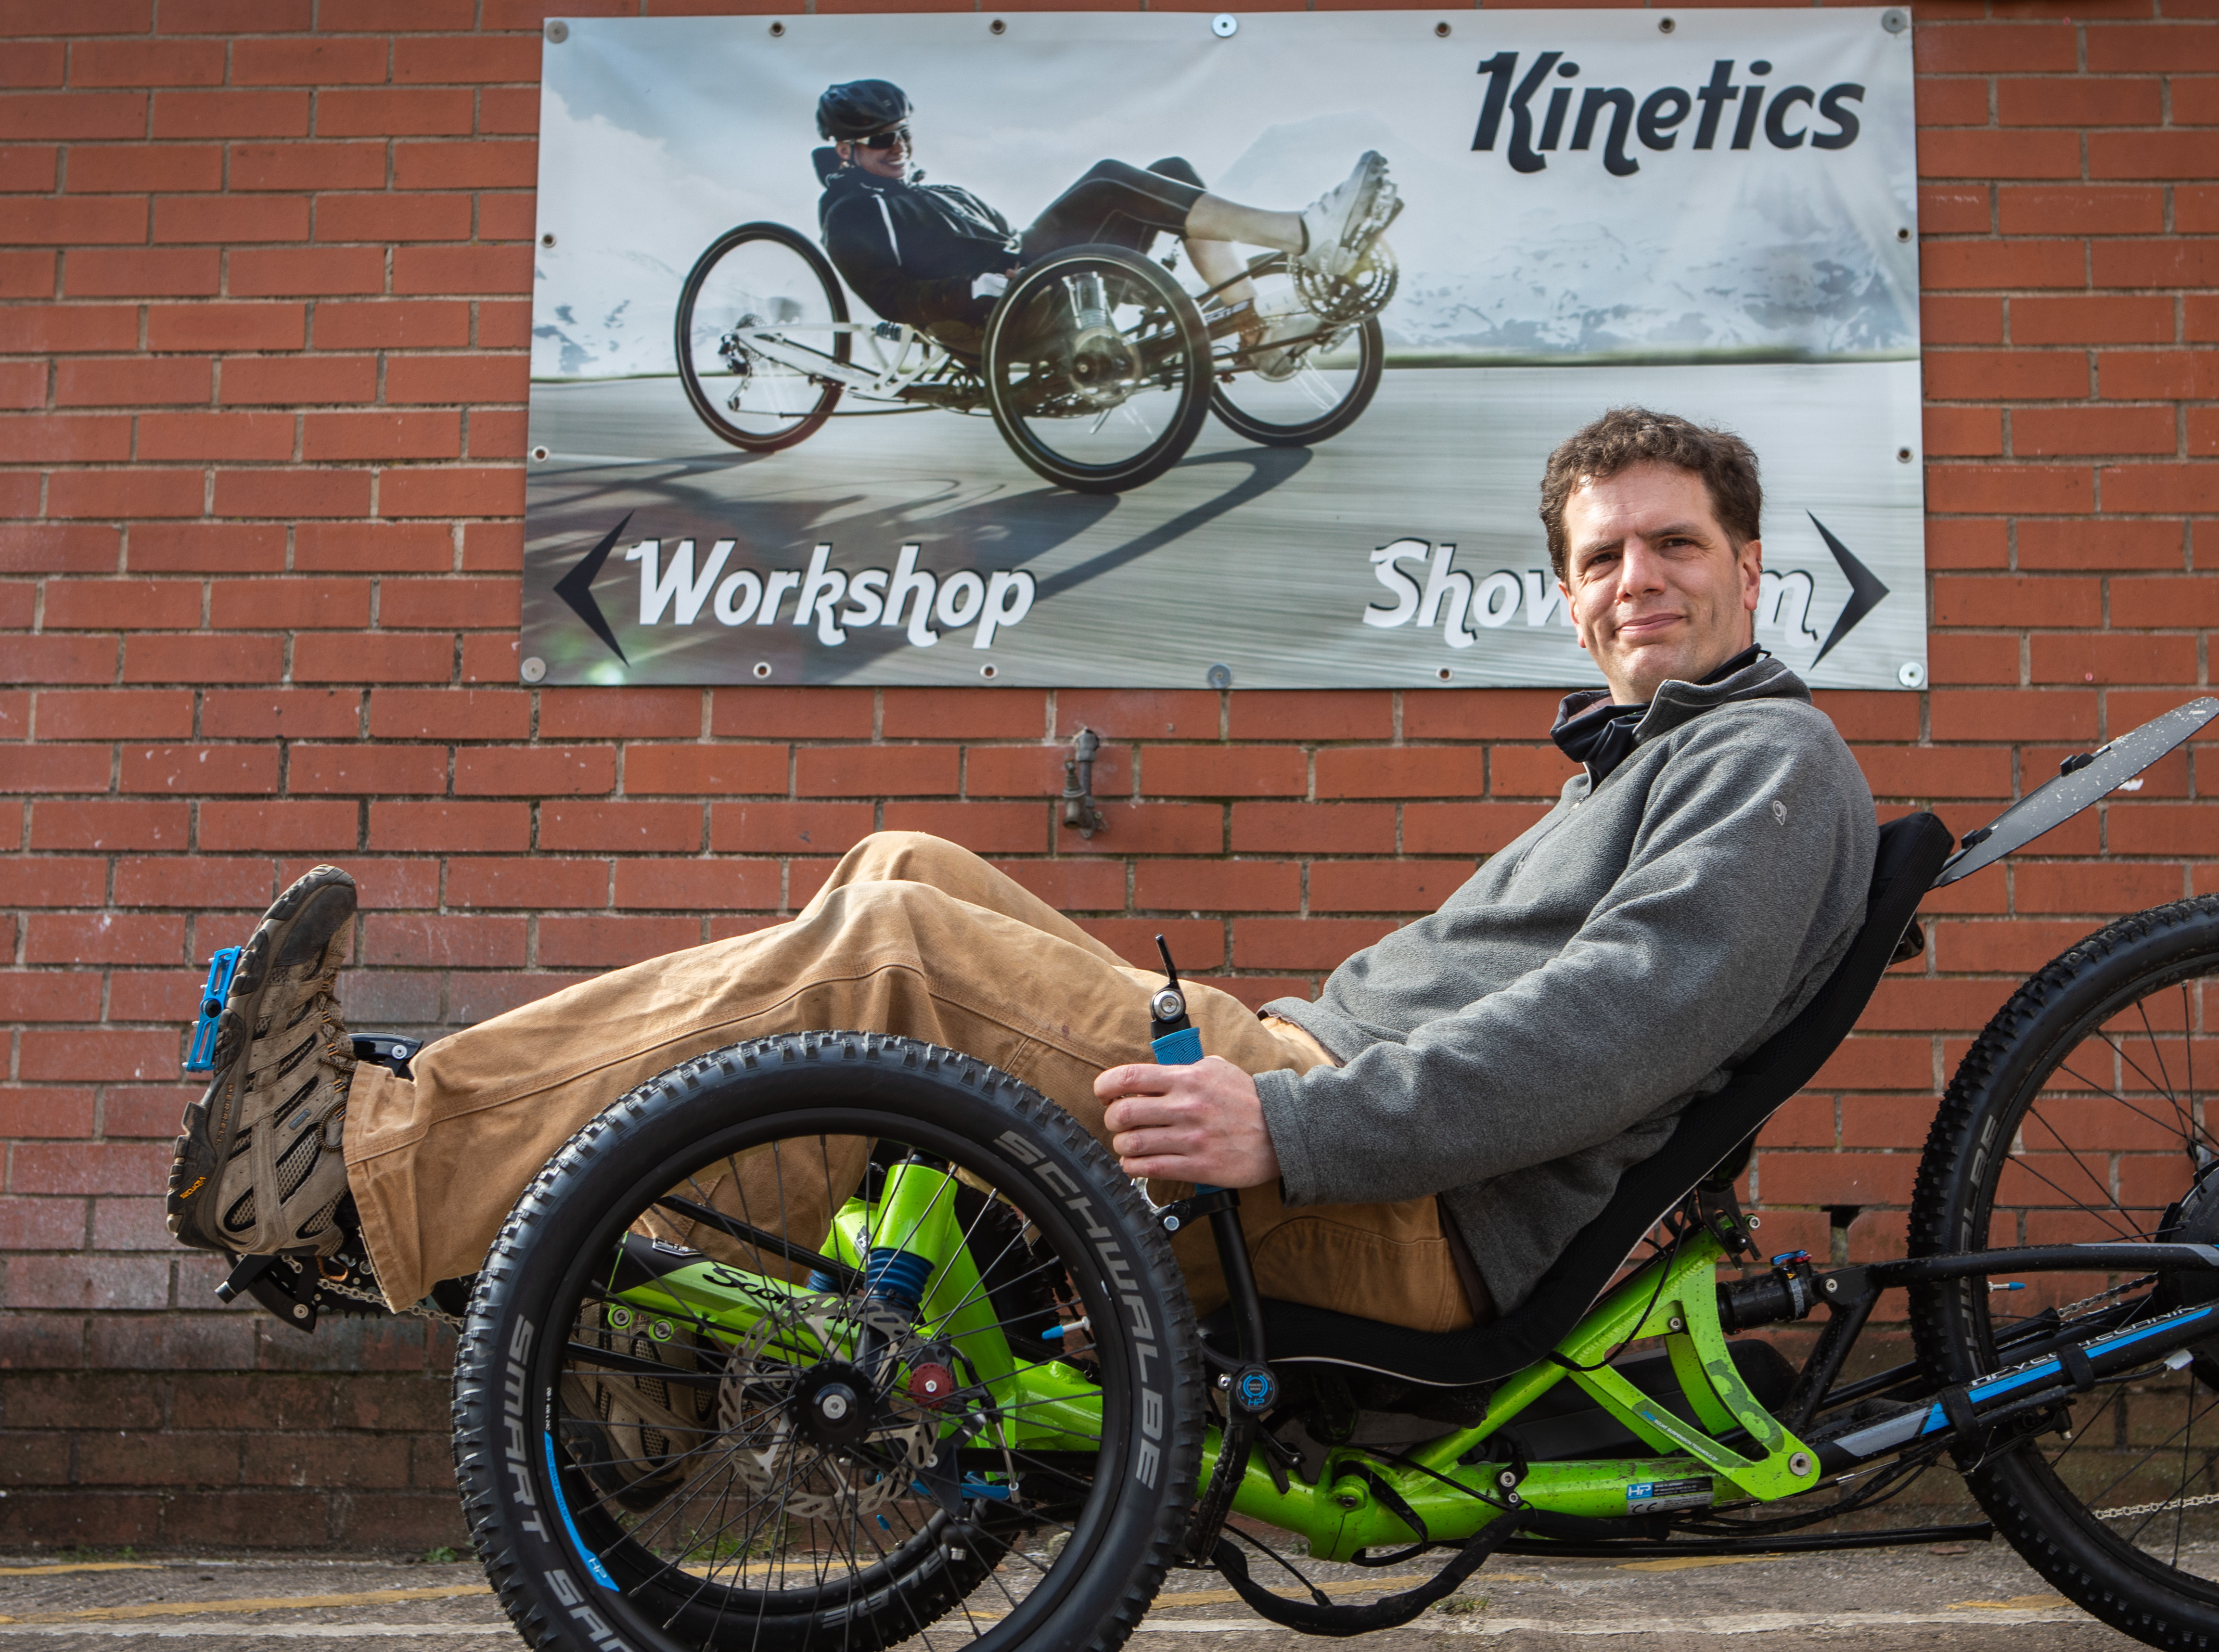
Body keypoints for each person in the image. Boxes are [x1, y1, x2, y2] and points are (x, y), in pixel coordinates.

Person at [164, 406, 1875, 1338]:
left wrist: (1290, 1125)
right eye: (1603, 553)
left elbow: (1633, 1016)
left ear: (1744, 566)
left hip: (1393, 1195)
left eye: (1673, 543)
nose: (1635, 576)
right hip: (1318, 1092)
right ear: (1569, 592)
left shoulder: (1765, 757)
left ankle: (357, 1169)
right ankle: (705, 1311)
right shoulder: (1641, 758)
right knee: (901, 858)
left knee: (892, 955)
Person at [806, 77, 1398, 366]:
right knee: (1108, 179)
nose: (899, 147)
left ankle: (1257, 336)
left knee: (1170, 171)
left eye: (903, 134)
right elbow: (886, 295)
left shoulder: (936, 190)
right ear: (845, 151)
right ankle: (1303, 234)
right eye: (882, 140)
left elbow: (1007, 233)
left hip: (1035, 278)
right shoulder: (854, 209)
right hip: (1000, 312)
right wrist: (967, 289)